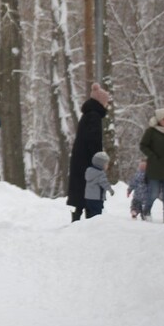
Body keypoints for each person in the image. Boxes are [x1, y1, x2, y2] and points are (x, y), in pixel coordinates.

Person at [66, 83, 110, 222]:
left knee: (81, 190)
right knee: (89, 189)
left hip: (81, 159)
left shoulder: (88, 114)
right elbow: (94, 141)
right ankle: (90, 220)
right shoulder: (94, 117)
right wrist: (99, 161)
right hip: (88, 160)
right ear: (101, 102)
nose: (107, 105)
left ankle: (77, 217)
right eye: (106, 102)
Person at [83, 151, 115, 218]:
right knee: (96, 215)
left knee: (89, 215)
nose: (107, 166)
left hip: (88, 198)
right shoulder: (100, 174)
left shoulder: (88, 170)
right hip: (97, 199)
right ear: (101, 164)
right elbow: (105, 183)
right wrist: (110, 190)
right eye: (106, 164)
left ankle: (88, 223)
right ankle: (95, 224)